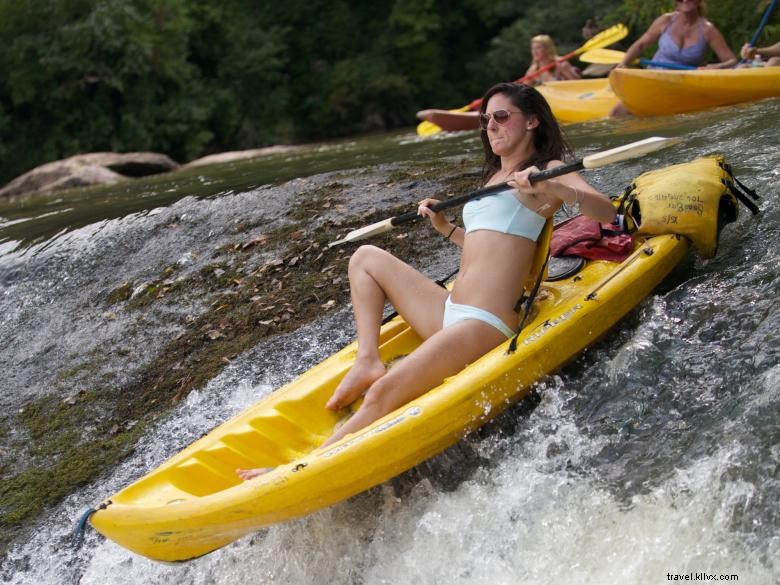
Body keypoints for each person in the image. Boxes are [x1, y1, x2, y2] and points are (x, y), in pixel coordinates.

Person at [238, 82, 616, 481]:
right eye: (485, 119)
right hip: (451, 311)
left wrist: (556, 187)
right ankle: (368, 359)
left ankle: (296, 472)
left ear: (533, 120)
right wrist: (446, 226)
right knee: (365, 257)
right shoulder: (494, 176)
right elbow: (484, 250)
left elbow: (604, 211)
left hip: (485, 323)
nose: (491, 126)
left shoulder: (545, 171)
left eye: (501, 116)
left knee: (383, 395)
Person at [416, 34, 580, 128]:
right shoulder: (532, 70)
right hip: (547, 104)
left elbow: (578, 85)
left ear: (547, 48)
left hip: (565, 102)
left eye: (539, 48)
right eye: (533, 48)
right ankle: (488, 114)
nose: (535, 51)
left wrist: (568, 71)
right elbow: (521, 93)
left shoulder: (560, 64)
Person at [616, 0, 737, 70]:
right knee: (616, 112)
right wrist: (624, 63)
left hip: (683, 83)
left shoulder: (708, 30)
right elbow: (641, 45)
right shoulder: (665, 20)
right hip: (654, 75)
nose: (685, 0)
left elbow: (732, 61)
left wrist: (714, 67)